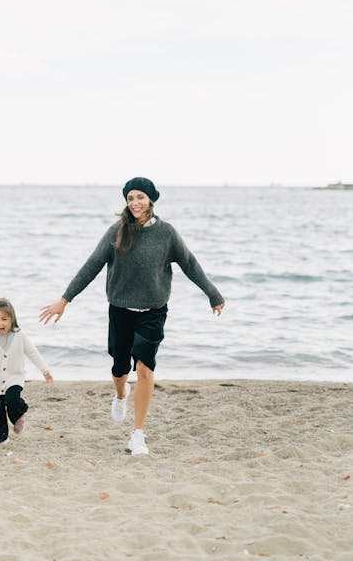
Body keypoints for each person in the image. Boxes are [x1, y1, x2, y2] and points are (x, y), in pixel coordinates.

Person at [39, 176, 224, 456]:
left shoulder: (167, 233)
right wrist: (65, 299)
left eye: (140, 197)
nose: (135, 203)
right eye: (130, 198)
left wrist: (212, 293)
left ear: (151, 199)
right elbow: (92, 265)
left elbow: (190, 264)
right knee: (119, 367)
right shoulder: (117, 231)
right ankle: (120, 394)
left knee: (145, 369)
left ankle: (138, 434)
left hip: (154, 310)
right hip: (121, 310)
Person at [0, 298, 53, 444]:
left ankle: (18, 416)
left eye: (4, 319)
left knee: (12, 399)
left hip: (14, 379)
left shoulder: (20, 336)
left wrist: (45, 370)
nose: (0, 323)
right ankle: (0, 439)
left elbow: (33, 353)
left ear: (12, 319)